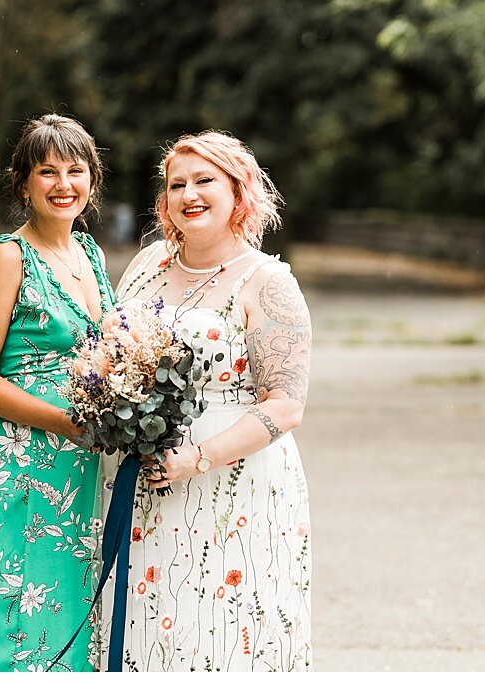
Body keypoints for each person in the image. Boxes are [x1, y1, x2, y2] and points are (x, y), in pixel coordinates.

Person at [101, 131, 312, 671]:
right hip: (137, 472)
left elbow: (285, 405)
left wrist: (195, 459)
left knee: (219, 628)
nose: (188, 194)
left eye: (204, 181)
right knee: (142, 621)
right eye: (177, 185)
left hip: (230, 482)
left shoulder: (267, 282)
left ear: (238, 192)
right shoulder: (148, 263)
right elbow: (109, 351)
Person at [0, 114, 116, 671]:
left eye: (75, 171)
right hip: (18, 459)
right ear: (23, 183)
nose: (63, 185)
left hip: (77, 467)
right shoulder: (8, 257)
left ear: (92, 181)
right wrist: (63, 421)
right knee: (10, 610)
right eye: (47, 172)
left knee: (63, 603)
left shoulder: (90, 253)